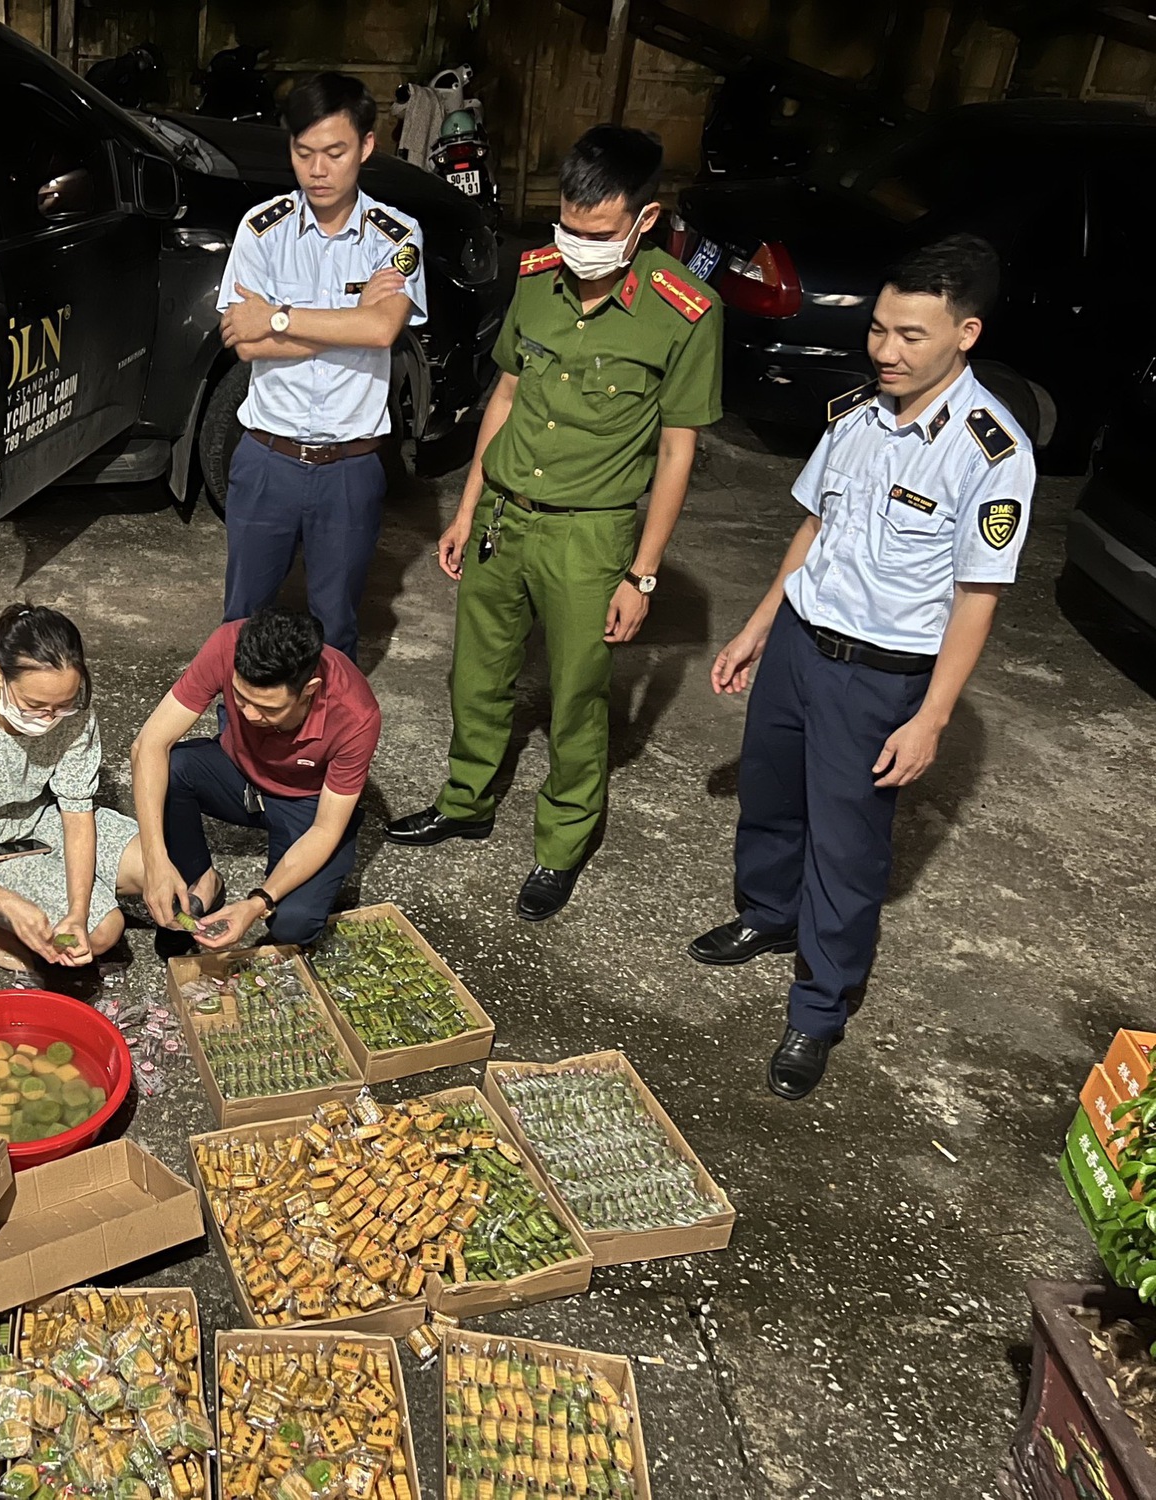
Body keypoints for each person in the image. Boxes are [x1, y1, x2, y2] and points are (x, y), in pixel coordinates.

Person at [687, 234, 1034, 1101]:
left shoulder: (991, 453)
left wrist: (932, 719)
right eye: (879, 329)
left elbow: (976, 598)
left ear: (965, 334)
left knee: (846, 850)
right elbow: (813, 530)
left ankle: (817, 1009)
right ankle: (766, 918)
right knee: (771, 800)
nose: (885, 350)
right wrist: (760, 626)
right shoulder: (854, 414)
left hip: (880, 678)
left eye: (910, 335)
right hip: (801, 645)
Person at [385, 126, 722, 923]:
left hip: (590, 534)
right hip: (504, 514)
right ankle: (466, 800)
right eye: (567, 226)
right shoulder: (536, 276)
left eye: (598, 234)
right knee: (477, 674)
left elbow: (677, 454)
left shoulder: (685, 311)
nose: (577, 246)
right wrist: (466, 508)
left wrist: (642, 573)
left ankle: (562, 843)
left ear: (644, 223)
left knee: (576, 696)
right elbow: (503, 396)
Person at [214, 72, 428, 661]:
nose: (317, 169)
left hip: (350, 470)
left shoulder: (396, 236)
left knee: (334, 630)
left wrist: (279, 318)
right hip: (265, 460)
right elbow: (245, 342)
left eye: (334, 152)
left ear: (365, 146)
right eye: (303, 153)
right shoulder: (261, 229)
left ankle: (329, 751)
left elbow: (383, 329)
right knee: (241, 625)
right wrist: (347, 321)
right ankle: (236, 743)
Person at [0, 604, 144, 976]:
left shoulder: (74, 707)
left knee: (151, 867)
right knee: (105, 930)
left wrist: (77, 911)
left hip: (38, 819)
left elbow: (76, 810)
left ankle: (36, 905)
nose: (49, 719)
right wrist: (9, 903)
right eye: (34, 705)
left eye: (62, 706)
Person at [131, 608, 380, 956]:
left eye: (267, 708)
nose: (248, 714)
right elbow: (148, 744)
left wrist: (257, 902)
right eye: (240, 697)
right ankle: (202, 880)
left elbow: (324, 830)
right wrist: (156, 860)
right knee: (171, 767)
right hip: (237, 772)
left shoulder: (356, 716)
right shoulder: (228, 644)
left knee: (293, 923)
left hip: (306, 802)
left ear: (309, 690)